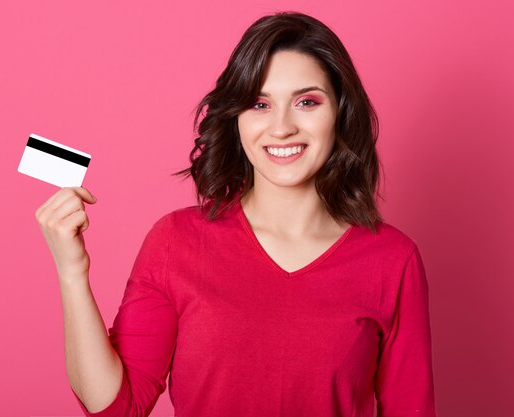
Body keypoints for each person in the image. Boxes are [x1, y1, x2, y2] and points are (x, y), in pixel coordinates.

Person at [35, 11, 436, 417]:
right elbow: (117, 408)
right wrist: (72, 273)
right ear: (237, 119)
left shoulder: (392, 261)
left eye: (306, 102)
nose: (281, 127)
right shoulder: (176, 242)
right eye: (259, 103)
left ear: (340, 114)